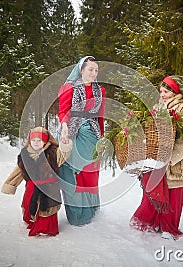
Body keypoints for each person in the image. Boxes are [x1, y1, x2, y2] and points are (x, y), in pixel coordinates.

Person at [130, 75, 183, 240]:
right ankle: (150, 223)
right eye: (161, 91)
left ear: (175, 91)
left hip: (179, 162)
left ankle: (169, 229)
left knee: (174, 196)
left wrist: (171, 158)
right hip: (158, 160)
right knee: (154, 193)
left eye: (166, 91)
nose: (162, 94)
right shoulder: (158, 107)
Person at [57, 55, 106, 226]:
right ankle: (77, 215)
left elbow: (100, 116)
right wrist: (64, 128)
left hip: (92, 136)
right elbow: (63, 112)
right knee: (72, 175)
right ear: (81, 70)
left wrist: (102, 139)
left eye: (96, 70)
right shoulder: (69, 88)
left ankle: (91, 210)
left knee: (89, 175)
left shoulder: (100, 90)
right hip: (71, 133)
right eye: (90, 69)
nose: (94, 73)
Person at [1, 127, 72, 236]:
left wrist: (65, 143)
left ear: (45, 141)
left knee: (47, 209)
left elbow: (63, 155)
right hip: (31, 187)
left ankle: (44, 228)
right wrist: (10, 184)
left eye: (40, 140)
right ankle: (31, 219)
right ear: (29, 141)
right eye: (33, 140)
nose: (36, 143)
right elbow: (18, 171)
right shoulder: (25, 154)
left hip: (49, 187)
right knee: (29, 205)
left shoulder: (52, 153)